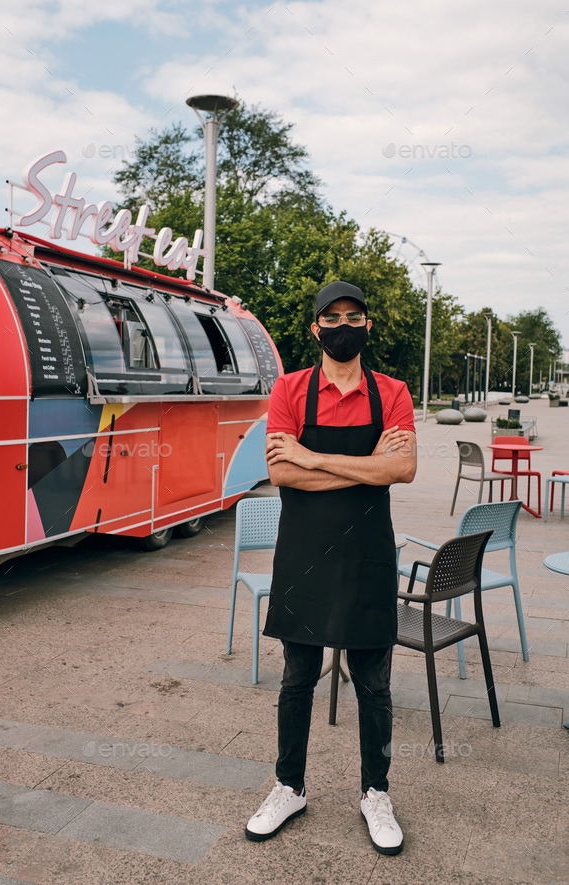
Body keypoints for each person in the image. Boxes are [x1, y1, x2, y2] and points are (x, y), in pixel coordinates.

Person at [245, 280, 416, 855]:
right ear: (316, 329)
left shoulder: (392, 391)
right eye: (333, 317)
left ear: (368, 326)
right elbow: (282, 476)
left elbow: (404, 470)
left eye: (355, 316)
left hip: (368, 554)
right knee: (297, 680)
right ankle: (289, 786)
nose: (344, 326)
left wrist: (313, 456)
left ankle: (375, 792)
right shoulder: (290, 388)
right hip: (304, 554)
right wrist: (369, 464)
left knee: (374, 683)